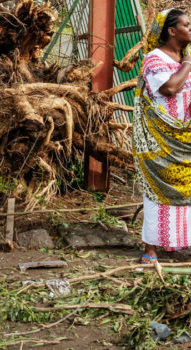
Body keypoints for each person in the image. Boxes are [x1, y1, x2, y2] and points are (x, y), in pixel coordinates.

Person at [133, 9, 191, 263]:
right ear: (171, 31)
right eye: (186, 25)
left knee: (187, 191)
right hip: (160, 140)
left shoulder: (186, 59)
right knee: (157, 192)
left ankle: (178, 243)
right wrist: (188, 64)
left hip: (185, 139)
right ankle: (150, 249)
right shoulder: (154, 59)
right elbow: (169, 88)